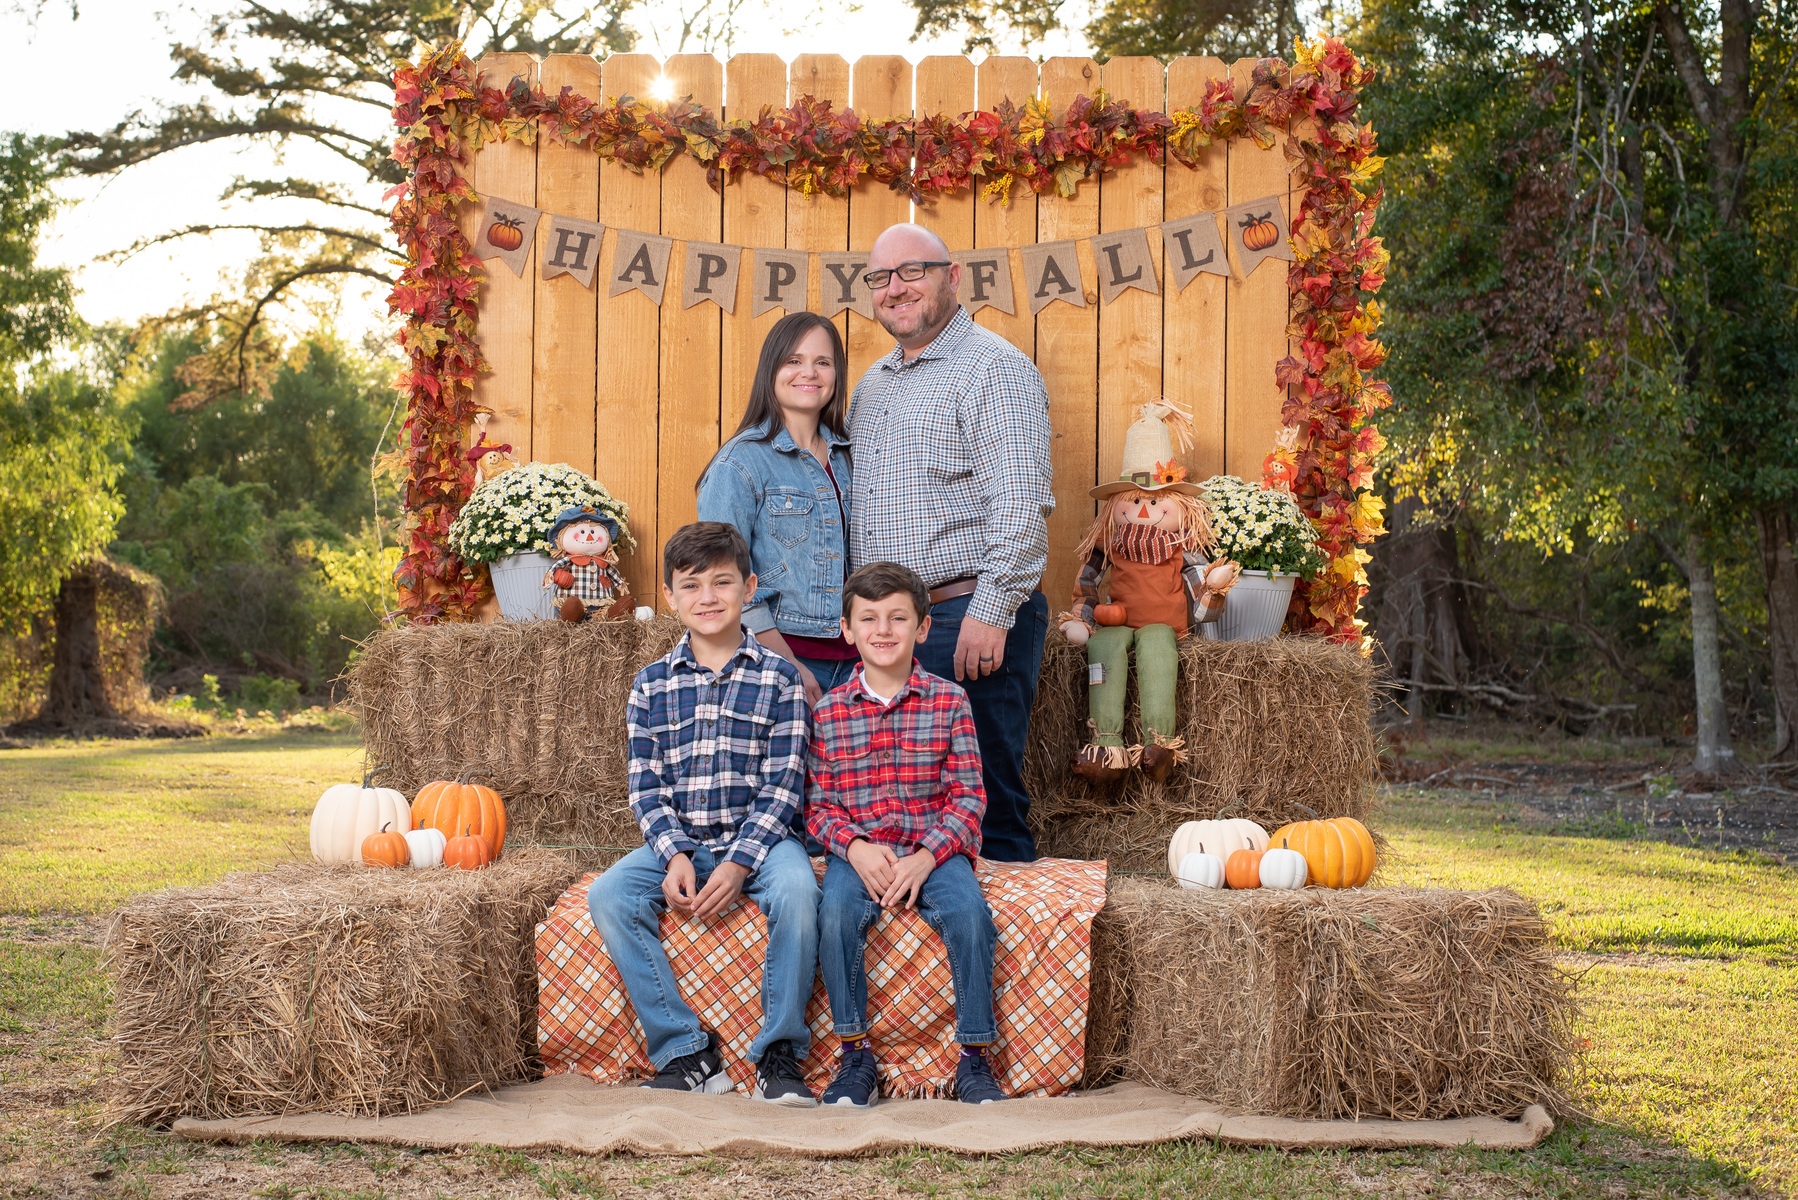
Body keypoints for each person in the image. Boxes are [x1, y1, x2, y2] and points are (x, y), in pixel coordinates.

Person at [585, 521, 820, 1106]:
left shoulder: (780, 678)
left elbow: (784, 785)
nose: (707, 597)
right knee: (610, 894)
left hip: (763, 844)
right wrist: (674, 854)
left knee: (797, 890)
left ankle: (779, 1054)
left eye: (722, 582)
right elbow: (646, 786)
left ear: (749, 588)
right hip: (685, 840)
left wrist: (739, 864)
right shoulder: (650, 685)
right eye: (691, 585)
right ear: (670, 597)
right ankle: (685, 1050)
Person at [848, 222, 1055, 862]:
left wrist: (991, 612)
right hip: (890, 628)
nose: (895, 288)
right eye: (880, 277)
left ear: (953, 277)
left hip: (965, 615)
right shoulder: (872, 385)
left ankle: (1012, 925)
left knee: (986, 806)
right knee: (902, 815)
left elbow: (1020, 500)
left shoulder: (994, 369)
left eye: (912, 271)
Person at [806, 561, 1006, 1108]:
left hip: (933, 850)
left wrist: (927, 857)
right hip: (860, 853)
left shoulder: (949, 701)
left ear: (922, 627)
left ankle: (974, 1056)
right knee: (835, 915)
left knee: (969, 914)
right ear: (847, 630)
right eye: (868, 618)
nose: (883, 630)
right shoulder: (828, 713)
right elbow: (819, 808)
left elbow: (969, 798)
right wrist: (854, 848)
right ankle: (855, 1056)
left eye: (898, 618)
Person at [698, 312, 857, 706]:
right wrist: (787, 665)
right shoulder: (739, 463)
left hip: (858, 661)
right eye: (794, 360)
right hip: (783, 658)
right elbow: (723, 576)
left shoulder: (848, 456)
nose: (810, 372)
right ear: (771, 369)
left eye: (823, 362)